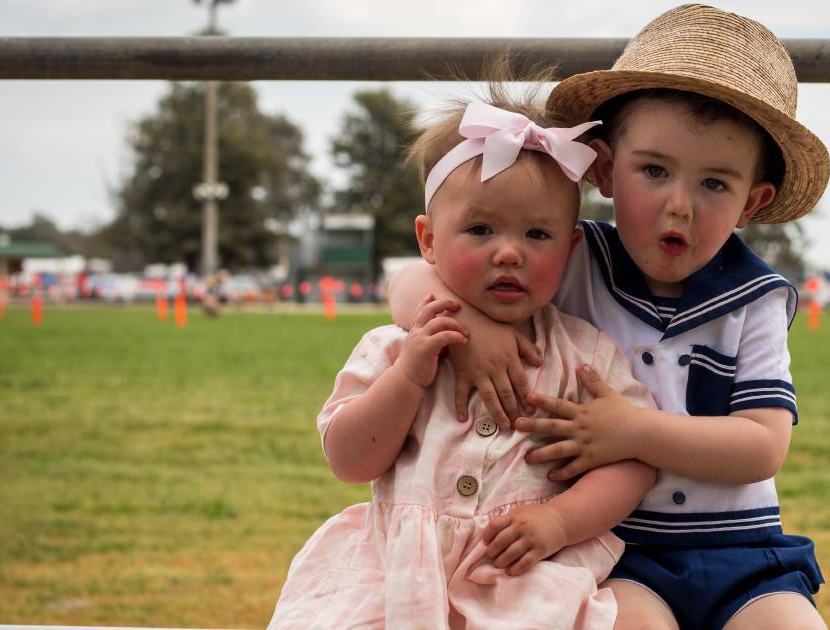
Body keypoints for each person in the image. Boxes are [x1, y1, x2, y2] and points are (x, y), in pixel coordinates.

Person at [389, 6, 830, 629]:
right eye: (654, 170)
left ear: (752, 201)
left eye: (715, 184)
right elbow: (408, 282)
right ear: (603, 170)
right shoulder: (569, 256)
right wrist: (470, 331)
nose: (678, 205)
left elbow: (762, 445)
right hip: (611, 547)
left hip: (743, 551)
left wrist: (633, 432)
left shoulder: (756, 298)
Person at [268, 91, 657, 629]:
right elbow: (349, 461)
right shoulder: (396, 346)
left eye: (537, 234)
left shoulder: (583, 356)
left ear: (569, 253)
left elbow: (633, 459)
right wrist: (407, 379)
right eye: (480, 229)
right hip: (395, 576)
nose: (509, 252)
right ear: (428, 241)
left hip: (517, 578)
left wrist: (559, 522)